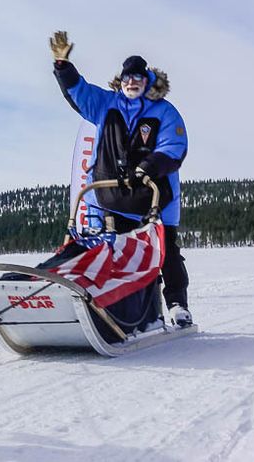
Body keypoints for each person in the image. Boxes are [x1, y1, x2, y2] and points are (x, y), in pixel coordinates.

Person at [49, 31, 193, 327]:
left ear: (146, 80)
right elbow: (80, 92)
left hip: (154, 199)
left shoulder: (164, 111)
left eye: (137, 78)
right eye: (127, 78)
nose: (131, 83)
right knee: (115, 254)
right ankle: (119, 308)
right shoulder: (107, 104)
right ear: (121, 80)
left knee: (165, 253)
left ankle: (177, 304)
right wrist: (63, 66)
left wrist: (148, 167)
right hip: (113, 198)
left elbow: (174, 146)